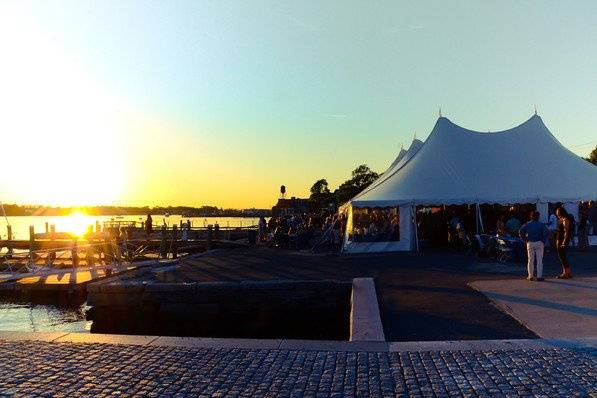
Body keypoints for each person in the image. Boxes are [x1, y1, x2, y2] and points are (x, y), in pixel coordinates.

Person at [519, 211, 549, 281]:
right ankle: (539, 276)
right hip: (539, 242)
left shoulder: (527, 224)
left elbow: (520, 231)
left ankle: (530, 276)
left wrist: (525, 240)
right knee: (539, 260)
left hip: (530, 242)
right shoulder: (541, 224)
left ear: (531, 216)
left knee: (530, 260)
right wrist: (543, 241)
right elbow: (546, 232)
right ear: (538, 216)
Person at [555, 207, 573, 279]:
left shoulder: (565, 220)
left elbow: (566, 231)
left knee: (562, 257)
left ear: (560, 212)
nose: (556, 214)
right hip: (560, 239)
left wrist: (564, 242)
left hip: (561, 240)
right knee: (562, 256)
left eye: (557, 212)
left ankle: (565, 273)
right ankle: (568, 272)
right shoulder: (562, 219)